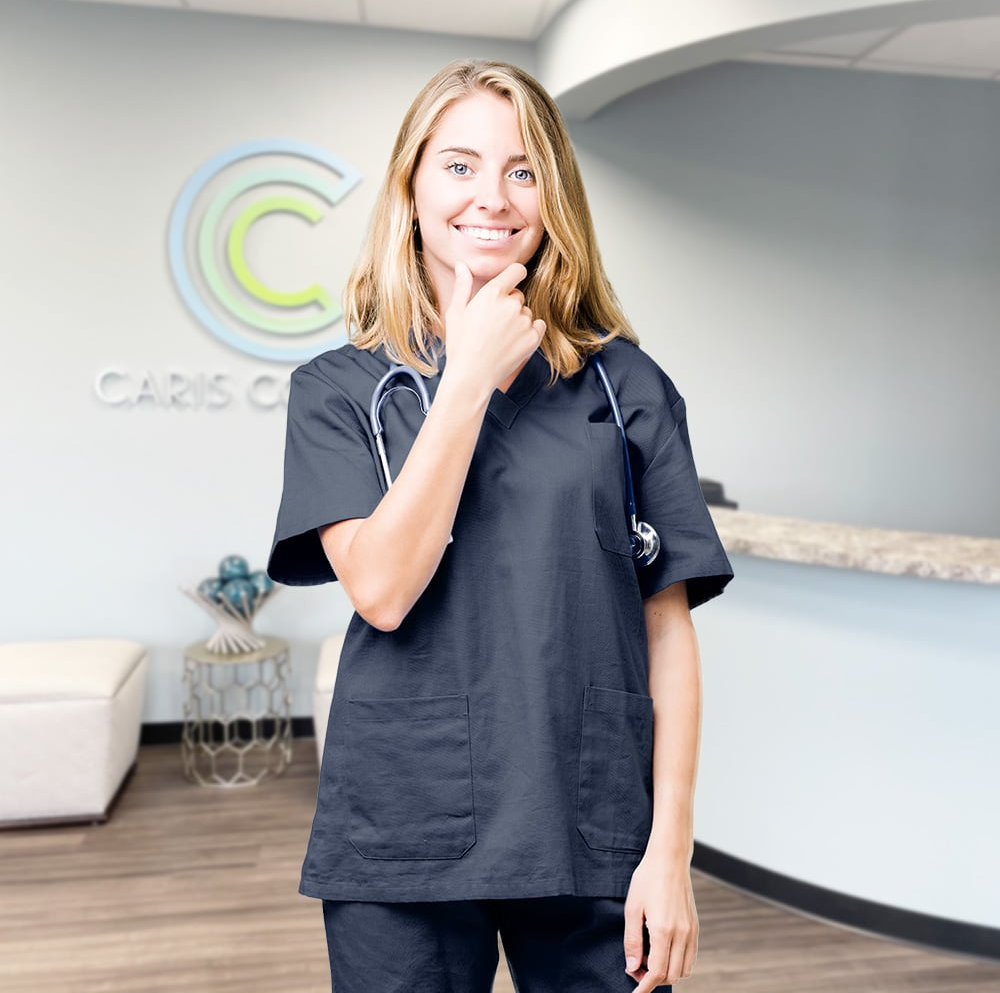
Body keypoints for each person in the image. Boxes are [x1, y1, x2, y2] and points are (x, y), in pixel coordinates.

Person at [267, 58, 733, 993]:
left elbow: (665, 630)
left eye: (523, 170)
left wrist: (670, 851)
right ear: (409, 189)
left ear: (553, 197)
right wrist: (468, 378)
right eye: (460, 166)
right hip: (404, 824)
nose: (494, 196)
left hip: (594, 820)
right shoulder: (341, 392)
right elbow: (384, 591)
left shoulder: (626, 387)